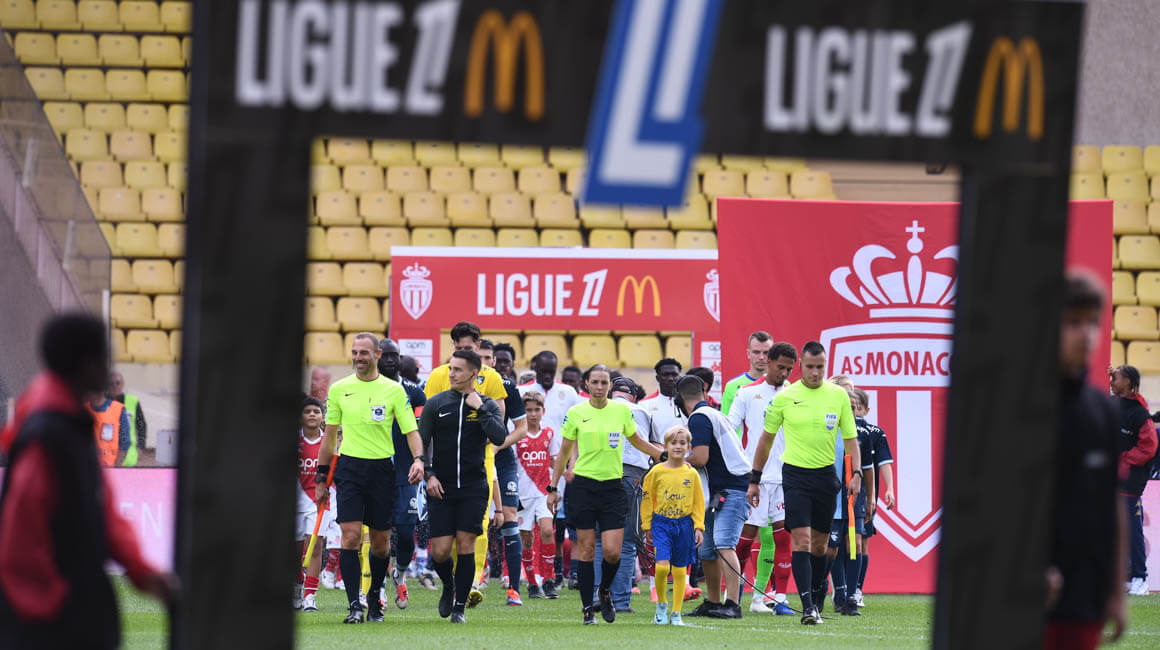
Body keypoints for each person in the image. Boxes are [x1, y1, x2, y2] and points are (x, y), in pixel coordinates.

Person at [0, 313, 177, 648]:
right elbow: (19, 541)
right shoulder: (48, 434)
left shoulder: (67, 422)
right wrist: (59, 612)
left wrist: (143, 572)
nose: (108, 366)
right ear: (85, 363)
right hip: (54, 628)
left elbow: (101, 513)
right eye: (103, 355)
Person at [748, 341, 861, 625]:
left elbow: (851, 439)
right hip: (795, 476)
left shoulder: (838, 396)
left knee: (821, 547)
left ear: (826, 365)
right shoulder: (786, 397)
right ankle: (808, 607)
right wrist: (755, 478)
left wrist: (857, 474)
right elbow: (765, 440)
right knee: (801, 540)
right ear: (801, 366)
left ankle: (818, 593)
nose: (815, 372)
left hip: (825, 477)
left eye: (820, 367)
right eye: (810, 367)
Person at [315, 332, 424, 624]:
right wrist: (321, 477)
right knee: (350, 537)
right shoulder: (339, 389)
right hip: (349, 469)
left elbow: (411, 431)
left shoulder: (394, 391)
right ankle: (355, 605)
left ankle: (375, 594)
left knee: (380, 544)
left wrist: (419, 459)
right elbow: (329, 438)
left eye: (363, 352)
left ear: (377, 355)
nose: (358, 357)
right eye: (354, 352)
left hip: (381, 471)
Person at [1045, 272, 1126, 648]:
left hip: (1085, 594)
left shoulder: (1103, 411)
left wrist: (1116, 592)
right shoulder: (1019, 412)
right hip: (1022, 596)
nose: (1086, 334)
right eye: (1073, 322)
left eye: (1091, 323)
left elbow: (1113, 504)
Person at [547, 365, 662, 625]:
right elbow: (563, 452)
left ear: (610, 385)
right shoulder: (576, 412)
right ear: (586, 384)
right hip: (584, 487)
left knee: (612, 552)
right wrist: (553, 488)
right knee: (587, 549)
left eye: (604, 382)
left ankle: (605, 591)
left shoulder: (621, 411)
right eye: (595, 382)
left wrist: (662, 454)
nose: (599, 387)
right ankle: (588, 609)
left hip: (613, 487)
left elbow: (637, 440)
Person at [419, 350, 508, 624]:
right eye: (451, 368)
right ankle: (448, 585)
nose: (452, 374)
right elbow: (421, 444)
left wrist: (479, 408)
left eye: (458, 369)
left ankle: (459, 606)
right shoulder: (436, 404)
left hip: (473, 488)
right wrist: (429, 475)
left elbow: (500, 436)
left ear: (473, 373)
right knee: (440, 551)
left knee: (466, 543)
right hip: (441, 488)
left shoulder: (487, 404)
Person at [727, 342, 796, 615]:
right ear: (768, 362)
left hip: (785, 477)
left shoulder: (794, 394)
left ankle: (780, 598)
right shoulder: (746, 393)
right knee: (745, 539)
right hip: (755, 478)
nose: (784, 373)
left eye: (789, 369)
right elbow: (730, 429)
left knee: (783, 539)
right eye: (780, 367)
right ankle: (732, 596)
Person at [681, 375, 752, 619]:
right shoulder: (714, 413)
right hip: (718, 491)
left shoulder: (698, 417)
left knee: (723, 545)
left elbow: (700, 458)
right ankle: (713, 602)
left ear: (680, 399)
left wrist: (673, 460)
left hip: (730, 489)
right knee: (708, 550)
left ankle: (733, 603)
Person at [520, 350, 585, 588]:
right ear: (535, 368)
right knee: (527, 527)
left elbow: (576, 430)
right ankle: (531, 571)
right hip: (527, 467)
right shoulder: (521, 392)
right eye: (543, 371)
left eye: (551, 371)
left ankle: (553, 572)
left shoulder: (568, 393)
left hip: (556, 466)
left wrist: (572, 464)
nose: (547, 375)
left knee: (553, 520)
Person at [599, 376, 658, 613]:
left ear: (610, 392)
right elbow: (653, 446)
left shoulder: (598, 409)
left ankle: (597, 597)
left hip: (599, 473)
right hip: (632, 474)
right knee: (625, 541)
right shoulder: (642, 411)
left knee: (599, 540)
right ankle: (621, 601)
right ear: (633, 396)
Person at [377, 338, 428, 609]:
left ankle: (400, 572)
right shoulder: (369, 390)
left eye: (393, 355)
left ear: (400, 359)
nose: (388, 360)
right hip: (377, 471)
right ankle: (378, 587)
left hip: (407, 472)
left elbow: (423, 433)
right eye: (384, 355)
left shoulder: (415, 393)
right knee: (380, 534)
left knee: (407, 533)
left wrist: (423, 464)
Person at [641, 425, 705, 627]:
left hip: (684, 525)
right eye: (673, 443)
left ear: (689, 447)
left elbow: (698, 502)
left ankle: (676, 612)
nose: (678, 447)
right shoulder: (656, 472)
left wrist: (698, 527)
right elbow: (647, 498)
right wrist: (647, 524)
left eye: (682, 443)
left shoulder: (692, 474)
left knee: (679, 571)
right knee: (662, 568)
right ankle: (662, 604)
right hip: (661, 523)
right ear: (665, 446)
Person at [825, 380, 873, 616]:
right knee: (832, 548)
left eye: (854, 407)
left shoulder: (862, 433)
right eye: (848, 406)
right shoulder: (828, 428)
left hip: (854, 496)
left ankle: (852, 596)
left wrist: (870, 497)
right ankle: (838, 592)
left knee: (854, 544)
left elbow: (868, 468)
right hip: (832, 495)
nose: (852, 411)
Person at [1109, 364, 1156, 596]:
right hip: (1112, 478)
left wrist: (1125, 459)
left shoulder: (1139, 413)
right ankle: (1125, 577)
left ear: (1128, 382)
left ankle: (1140, 578)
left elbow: (1149, 447)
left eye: (1116, 378)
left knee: (1132, 530)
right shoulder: (1114, 404)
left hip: (1130, 481)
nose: (1111, 381)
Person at [488, 350, 529, 605]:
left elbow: (521, 428)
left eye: (487, 358)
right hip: (470, 460)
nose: (484, 362)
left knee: (510, 516)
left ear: (493, 361)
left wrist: (497, 446)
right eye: (479, 357)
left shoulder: (506, 386)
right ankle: (470, 582)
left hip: (502, 459)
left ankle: (514, 589)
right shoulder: (456, 383)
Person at [850, 387, 894, 608]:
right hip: (840, 491)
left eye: (859, 408)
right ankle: (842, 588)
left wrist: (889, 489)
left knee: (861, 542)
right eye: (852, 408)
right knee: (840, 543)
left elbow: (884, 462)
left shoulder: (874, 433)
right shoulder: (840, 428)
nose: (855, 412)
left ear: (866, 410)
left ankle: (857, 588)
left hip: (865, 494)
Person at [516, 391, 559, 599]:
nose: (533, 414)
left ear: (543, 411)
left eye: (536, 410)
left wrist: (555, 489)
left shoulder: (549, 433)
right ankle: (532, 582)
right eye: (528, 410)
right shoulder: (518, 435)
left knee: (547, 530)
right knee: (526, 538)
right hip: (522, 494)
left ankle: (549, 579)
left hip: (544, 492)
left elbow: (554, 462)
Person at [296, 397, 334, 612]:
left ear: (323, 417)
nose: (312, 414)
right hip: (296, 501)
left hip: (319, 502)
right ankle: (296, 586)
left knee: (316, 545)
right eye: (307, 411)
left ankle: (310, 595)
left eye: (316, 411)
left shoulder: (329, 443)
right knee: (296, 549)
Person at [721, 331, 773, 416]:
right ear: (748, 354)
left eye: (766, 353)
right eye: (756, 352)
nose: (761, 357)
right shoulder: (732, 386)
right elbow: (725, 421)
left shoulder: (784, 385)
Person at [640, 358, 685, 444]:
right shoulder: (645, 405)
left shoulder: (689, 404)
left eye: (674, 374)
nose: (670, 378)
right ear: (657, 378)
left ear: (679, 377)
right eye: (665, 375)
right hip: (657, 452)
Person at [107, 371, 146, 466]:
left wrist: (140, 447)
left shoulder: (133, 401)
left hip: (129, 456)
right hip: (107, 455)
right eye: (111, 384)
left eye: (118, 383)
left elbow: (141, 425)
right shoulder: (102, 402)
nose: (115, 386)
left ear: (123, 384)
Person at [85, 391, 131, 467]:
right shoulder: (82, 410)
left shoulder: (118, 409)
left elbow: (125, 442)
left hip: (111, 467)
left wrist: (116, 467)